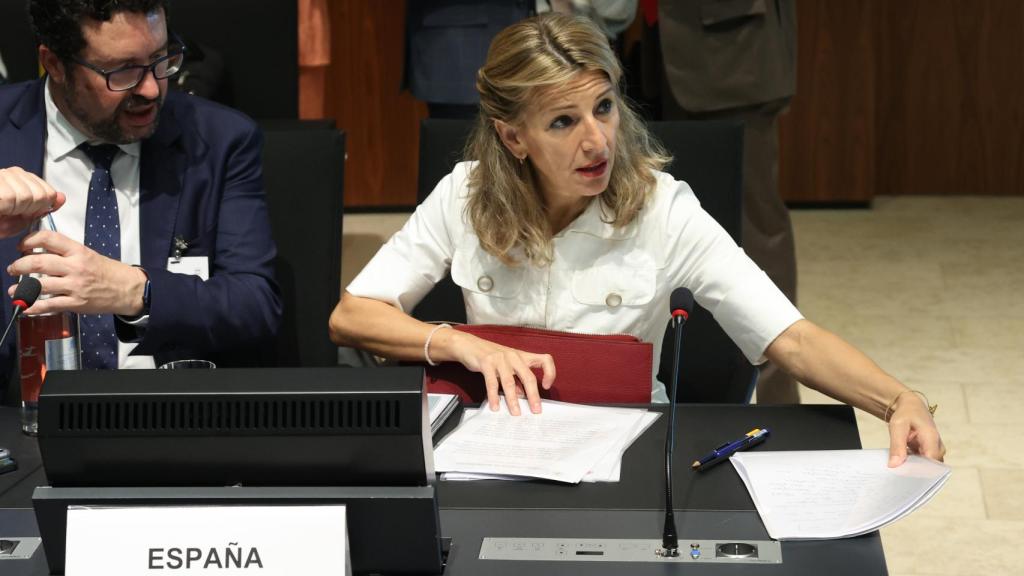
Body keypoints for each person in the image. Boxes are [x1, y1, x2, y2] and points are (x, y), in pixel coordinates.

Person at [330, 13, 944, 466]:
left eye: (604, 107)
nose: (597, 141)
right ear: (514, 138)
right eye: (563, 122)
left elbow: (793, 337)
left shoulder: (663, 208)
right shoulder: (464, 193)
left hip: (624, 449)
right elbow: (353, 315)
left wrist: (898, 399)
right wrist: (461, 346)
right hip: (499, 445)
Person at [0, 0, 281, 391]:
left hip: (167, 418)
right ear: (55, 64)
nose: (151, 88)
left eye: (161, 58)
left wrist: (133, 290)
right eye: (122, 70)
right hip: (18, 420)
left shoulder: (218, 141)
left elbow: (255, 305)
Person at [656, 0, 800, 404]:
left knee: (755, 227)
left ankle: (778, 401)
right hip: (644, 46)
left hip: (729, 42)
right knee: (668, 221)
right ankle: (690, 387)